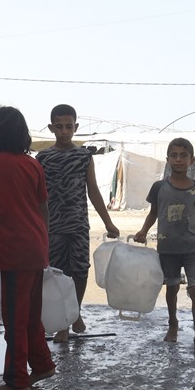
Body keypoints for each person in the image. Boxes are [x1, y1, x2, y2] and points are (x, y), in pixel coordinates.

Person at [0, 106, 56, 390]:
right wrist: (42, 243)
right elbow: (43, 207)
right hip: (35, 248)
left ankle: (17, 382)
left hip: (14, 252)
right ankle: (42, 364)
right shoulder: (33, 164)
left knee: (14, 318)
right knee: (30, 314)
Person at [36, 104, 119, 342]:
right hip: (52, 225)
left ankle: (76, 313)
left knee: (80, 270)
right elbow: (37, 196)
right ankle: (63, 323)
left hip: (79, 223)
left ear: (76, 127)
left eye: (69, 127)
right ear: (51, 128)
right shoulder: (43, 158)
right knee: (59, 274)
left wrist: (108, 222)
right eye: (59, 127)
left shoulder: (84, 156)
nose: (64, 131)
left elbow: (93, 190)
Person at [134, 137, 195, 355]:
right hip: (168, 248)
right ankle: (173, 323)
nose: (178, 160)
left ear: (191, 161)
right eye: (174, 155)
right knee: (172, 287)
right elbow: (153, 213)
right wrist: (143, 231)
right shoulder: (160, 187)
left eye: (183, 156)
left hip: (193, 248)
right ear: (168, 159)